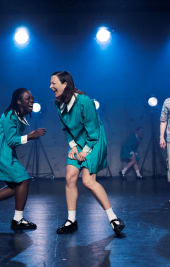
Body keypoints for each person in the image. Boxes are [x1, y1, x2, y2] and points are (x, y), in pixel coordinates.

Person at [50, 71, 125, 235]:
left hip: (94, 140)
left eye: (54, 83)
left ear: (65, 84)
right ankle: (71, 221)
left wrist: (84, 151)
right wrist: (73, 146)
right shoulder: (58, 104)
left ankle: (113, 219)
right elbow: (66, 128)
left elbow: (93, 131)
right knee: (70, 177)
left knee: (88, 181)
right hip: (77, 142)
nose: (51, 87)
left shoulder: (84, 101)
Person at [0, 88, 46, 230]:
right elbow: (12, 140)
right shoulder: (11, 115)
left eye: (32, 98)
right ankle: (17, 220)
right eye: (27, 99)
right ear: (19, 101)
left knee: (17, 186)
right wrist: (30, 136)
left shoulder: (20, 117)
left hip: (3, 151)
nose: (31, 101)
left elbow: (11, 142)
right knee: (23, 180)